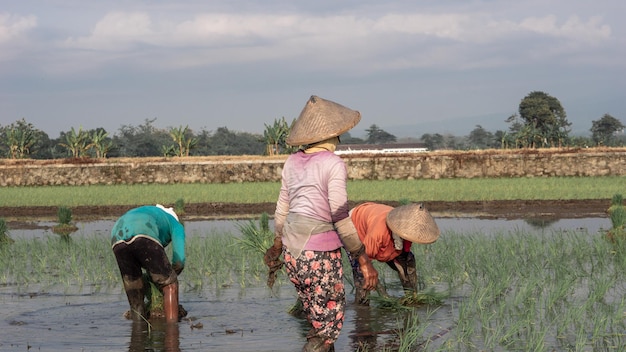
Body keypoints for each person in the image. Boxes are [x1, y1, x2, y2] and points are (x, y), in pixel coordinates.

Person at [264, 95, 379, 352]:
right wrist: (363, 260)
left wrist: (277, 244)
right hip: (320, 255)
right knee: (328, 328)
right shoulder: (333, 163)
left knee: (317, 322)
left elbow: (282, 207)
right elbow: (339, 215)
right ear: (332, 135)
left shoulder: (292, 161)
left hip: (294, 255)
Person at [348, 202, 440, 304]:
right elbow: (365, 263)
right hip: (354, 228)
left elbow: (404, 255)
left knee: (408, 261)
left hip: (381, 226)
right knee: (364, 281)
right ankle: (362, 312)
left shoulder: (405, 230)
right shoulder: (378, 233)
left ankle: (412, 298)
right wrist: (385, 297)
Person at [111, 204, 185, 323]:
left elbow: (141, 257)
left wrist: (150, 277)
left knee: (134, 289)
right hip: (143, 232)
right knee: (170, 284)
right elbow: (179, 262)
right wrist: (167, 278)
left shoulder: (150, 213)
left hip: (117, 236)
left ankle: (138, 332)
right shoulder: (175, 224)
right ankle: (172, 330)